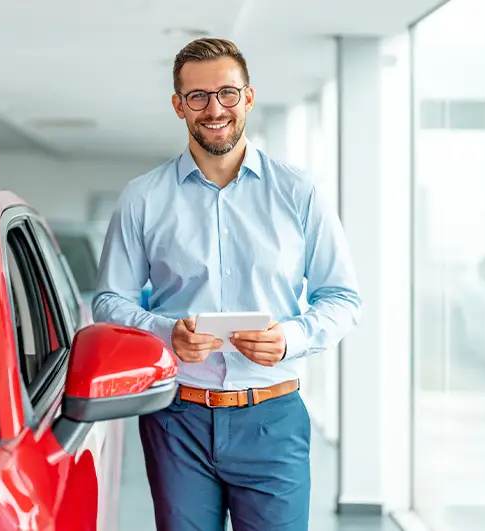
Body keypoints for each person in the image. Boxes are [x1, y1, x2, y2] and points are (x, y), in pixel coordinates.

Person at [92, 37, 362, 531]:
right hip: (177, 417)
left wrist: (290, 339)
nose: (214, 109)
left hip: (273, 418)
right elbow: (109, 300)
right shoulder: (144, 198)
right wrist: (164, 332)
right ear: (178, 105)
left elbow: (342, 297)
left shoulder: (299, 193)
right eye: (197, 96)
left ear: (249, 97)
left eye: (227, 93)